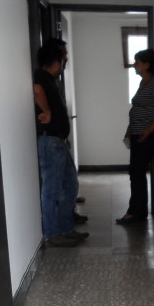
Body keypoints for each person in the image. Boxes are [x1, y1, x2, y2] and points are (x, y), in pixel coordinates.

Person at [33, 42, 87, 246]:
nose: (65, 61)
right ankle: (52, 234)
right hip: (50, 141)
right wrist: (46, 111)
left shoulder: (50, 79)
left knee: (70, 184)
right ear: (56, 61)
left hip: (58, 142)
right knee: (52, 190)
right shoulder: (40, 76)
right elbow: (36, 90)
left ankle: (65, 228)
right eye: (63, 58)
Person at [116, 49, 154, 225]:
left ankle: (135, 212)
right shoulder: (144, 83)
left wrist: (149, 131)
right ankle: (139, 211)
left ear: (146, 65)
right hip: (138, 134)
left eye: (137, 62)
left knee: (137, 173)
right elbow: (138, 108)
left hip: (147, 135)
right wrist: (130, 129)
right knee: (135, 173)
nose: (134, 65)